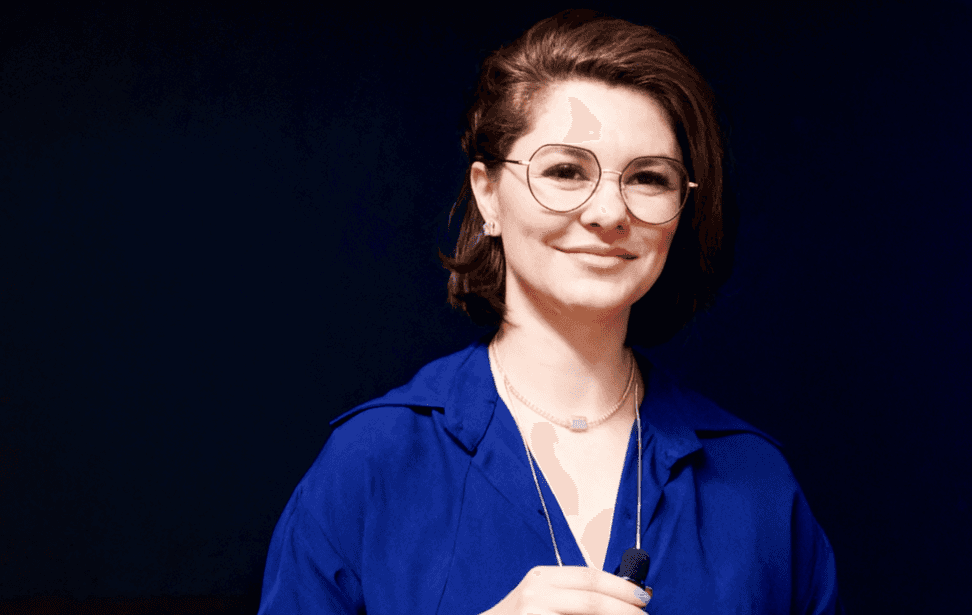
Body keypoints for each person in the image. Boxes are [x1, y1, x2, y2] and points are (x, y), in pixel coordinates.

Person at [259, 10, 842, 614]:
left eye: (648, 178)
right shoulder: (374, 462)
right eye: (565, 171)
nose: (609, 212)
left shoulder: (755, 482)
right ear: (488, 192)